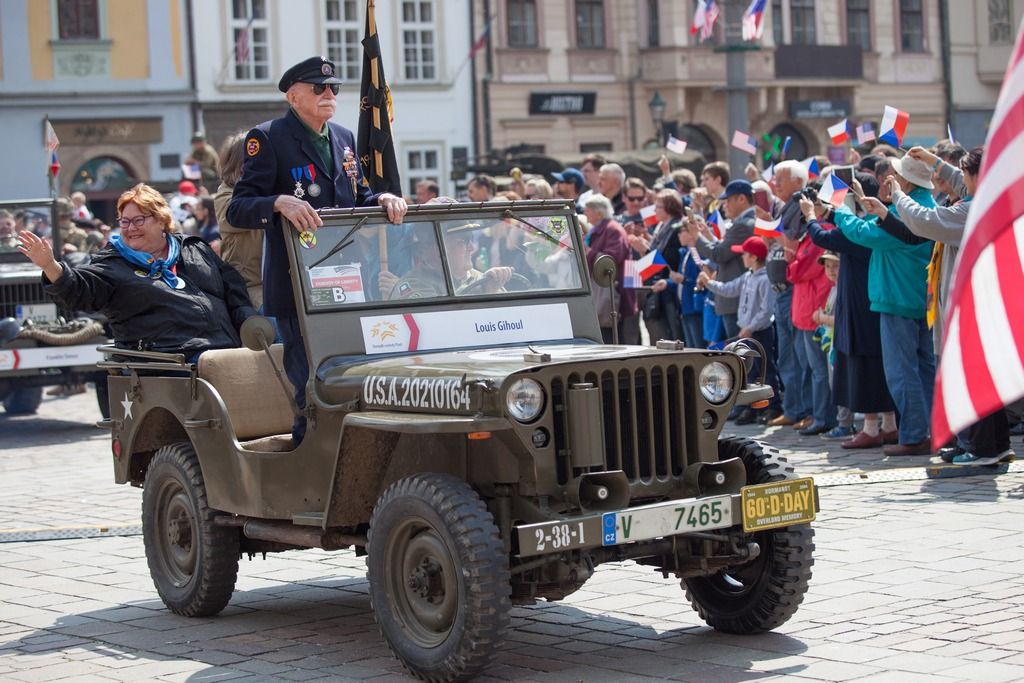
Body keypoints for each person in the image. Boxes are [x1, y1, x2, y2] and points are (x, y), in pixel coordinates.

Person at [227, 55, 407, 446]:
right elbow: (237, 208)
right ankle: (308, 455)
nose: (329, 94)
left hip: (345, 280)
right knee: (310, 381)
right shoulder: (268, 137)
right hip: (298, 285)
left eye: (334, 88)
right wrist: (278, 202)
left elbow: (358, 196)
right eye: (318, 88)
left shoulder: (343, 138)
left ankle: (354, 447)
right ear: (293, 97)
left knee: (352, 373)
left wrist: (383, 198)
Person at [19, 183, 253, 359]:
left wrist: (247, 321)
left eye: (139, 220)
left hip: (226, 349)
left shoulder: (193, 248)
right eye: (124, 221)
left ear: (161, 220)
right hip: (171, 361)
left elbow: (232, 288)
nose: (130, 228)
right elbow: (78, 290)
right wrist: (50, 266)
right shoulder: (113, 262)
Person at [833, 154, 936, 457]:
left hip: (896, 298)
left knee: (902, 373)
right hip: (916, 298)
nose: (890, 178)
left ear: (906, 182)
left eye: (896, 174)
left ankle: (915, 435)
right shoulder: (924, 205)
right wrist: (863, 203)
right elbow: (880, 224)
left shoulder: (907, 209)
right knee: (924, 371)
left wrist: (840, 209)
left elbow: (865, 234)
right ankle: (931, 431)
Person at [800, 183, 897, 450]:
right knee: (877, 365)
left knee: (864, 365)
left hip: (860, 307)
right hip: (870, 302)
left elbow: (824, 238)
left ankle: (871, 427)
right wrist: (826, 213)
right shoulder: (877, 223)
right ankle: (889, 425)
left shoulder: (861, 230)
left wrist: (810, 216)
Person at [698, 236, 781, 424]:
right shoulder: (747, 276)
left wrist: (750, 327)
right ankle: (754, 407)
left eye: (745, 254)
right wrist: (709, 283)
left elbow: (766, 310)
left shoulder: (765, 279)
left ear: (754, 257)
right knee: (749, 371)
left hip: (759, 332)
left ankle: (772, 406)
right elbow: (729, 289)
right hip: (746, 331)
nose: (742, 256)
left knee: (765, 370)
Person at [692, 179, 756, 339]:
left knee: (740, 350)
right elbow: (724, 250)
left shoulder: (744, 224)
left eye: (727, 201)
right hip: (733, 299)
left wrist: (697, 237)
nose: (724, 205)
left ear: (742, 199)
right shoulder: (742, 223)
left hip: (736, 300)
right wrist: (708, 236)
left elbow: (719, 254)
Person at [215, 132, 264, 310]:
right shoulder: (225, 195)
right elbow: (237, 218)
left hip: (278, 283)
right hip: (249, 287)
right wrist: (274, 203)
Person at [583, 194, 635, 343]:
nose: (585, 213)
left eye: (588, 210)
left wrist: (588, 252)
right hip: (602, 293)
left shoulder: (613, 230)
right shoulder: (598, 229)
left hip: (614, 293)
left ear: (599, 213)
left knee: (617, 339)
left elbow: (611, 260)